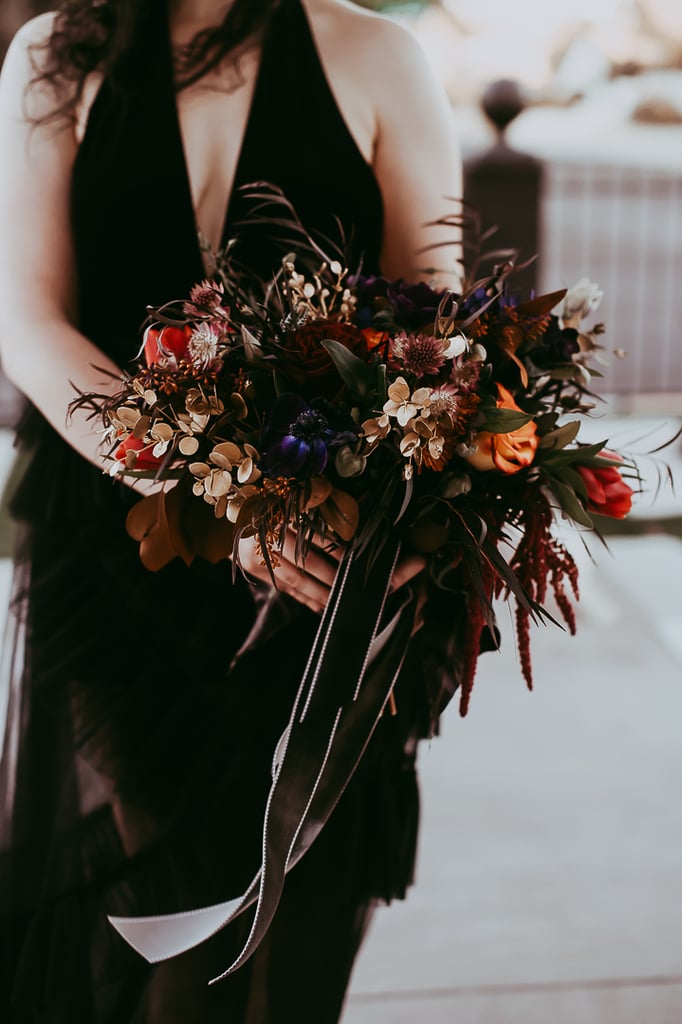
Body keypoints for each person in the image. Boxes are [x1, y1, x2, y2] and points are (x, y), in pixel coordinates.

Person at [0, 0, 462, 1020]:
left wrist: (396, 533)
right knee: (176, 924)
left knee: (307, 922)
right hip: (127, 557)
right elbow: (27, 318)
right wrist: (209, 490)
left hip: (328, 562)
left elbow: (435, 322)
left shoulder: (378, 56)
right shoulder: (53, 57)